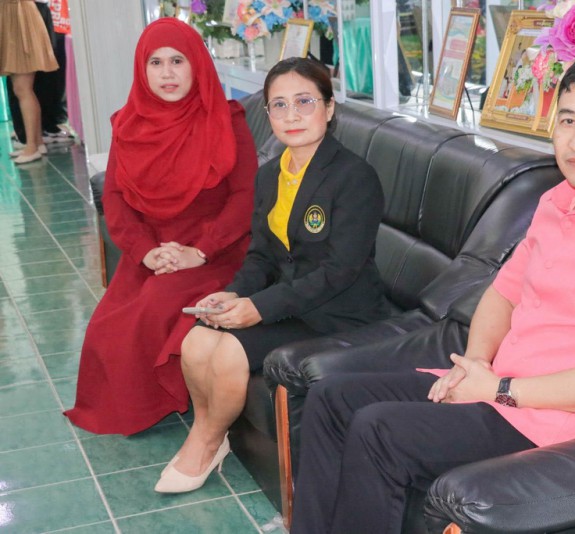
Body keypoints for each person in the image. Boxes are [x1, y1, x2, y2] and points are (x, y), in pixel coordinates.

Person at [290, 51, 575, 534]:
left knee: (379, 430)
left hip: (560, 420)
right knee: (332, 397)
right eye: (567, 121)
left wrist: (501, 391)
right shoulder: (559, 200)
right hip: (501, 389)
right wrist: (476, 364)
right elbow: (501, 295)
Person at [154, 57, 391, 494]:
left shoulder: (355, 177)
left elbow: (339, 271)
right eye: (279, 105)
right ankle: (209, 433)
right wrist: (232, 294)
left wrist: (260, 308)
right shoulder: (269, 176)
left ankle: (205, 443)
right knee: (196, 341)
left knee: (229, 351)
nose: (292, 115)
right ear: (268, 114)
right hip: (290, 302)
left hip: (339, 313)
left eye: (305, 102)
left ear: (329, 108)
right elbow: (261, 255)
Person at [64, 18, 257, 435]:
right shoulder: (128, 124)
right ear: (142, 69)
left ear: (197, 64)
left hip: (216, 252)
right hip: (155, 253)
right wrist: (147, 252)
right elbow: (115, 197)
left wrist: (200, 251)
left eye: (177, 61)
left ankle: (156, 406)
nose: (167, 73)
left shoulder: (227, 119)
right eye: (155, 62)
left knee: (152, 307)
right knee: (106, 326)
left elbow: (245, 198)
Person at [0, 0, 59, 164]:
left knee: (22, 89)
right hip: (15, 18)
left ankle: (32, 147)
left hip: (19, 21)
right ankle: (37, 142)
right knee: (23, 89)